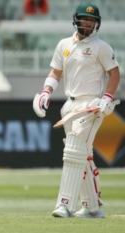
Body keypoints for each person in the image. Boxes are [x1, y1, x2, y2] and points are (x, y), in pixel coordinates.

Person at [33, 2, 120, 218]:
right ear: (77, 20)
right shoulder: (64, 44)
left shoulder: (101, 47)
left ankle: (64, 205)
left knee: (74, 151)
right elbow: (55, 72)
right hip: (69, 106)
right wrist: (45, 92)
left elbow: (115, 73)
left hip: (91, 105)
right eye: (85, 19)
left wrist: (107, 98)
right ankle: (92, 208)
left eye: (92, 21)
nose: (89, 23)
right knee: (83, 156)